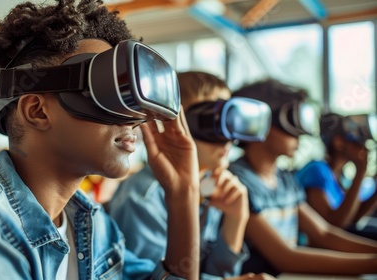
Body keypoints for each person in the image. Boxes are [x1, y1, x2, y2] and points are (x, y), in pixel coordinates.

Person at [0, 1, 201, 279]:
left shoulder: (95, 226)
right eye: (108, 91)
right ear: (37, 111)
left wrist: (183, 193)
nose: (135, 118)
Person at [109, 71, 275, 280]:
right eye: (209, 122)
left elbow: (215, 273)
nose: (226, 139)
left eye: (228, 120)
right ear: (170, 125)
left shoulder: (213, 187)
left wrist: (236, 220)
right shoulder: (143, 197)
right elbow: (154, 278)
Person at [228, 79, 377, 276]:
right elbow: (285, 258)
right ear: (258, 122)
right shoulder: (238, 181)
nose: (301, 134)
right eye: (292, 120)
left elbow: (323, 233)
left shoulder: (285, 180)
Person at [296, 112, 377, 240]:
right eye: (357, 142)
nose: (363, 147)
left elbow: (353, 217)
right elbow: (335, 224)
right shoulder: (316, 170)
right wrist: (360, 171)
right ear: (338, 142)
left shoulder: (340, 176)